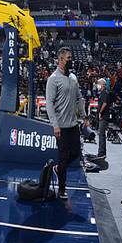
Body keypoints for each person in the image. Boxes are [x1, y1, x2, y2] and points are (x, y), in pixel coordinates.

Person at [46, 47, 83, 200]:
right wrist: (55, 125)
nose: (71, 60)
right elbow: (49, 103)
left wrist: (84, 115)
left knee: (76, 154)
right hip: (61, 126)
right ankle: (62, 190)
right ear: (60, 59)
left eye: (71, 57)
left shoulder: (73, 77)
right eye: (68, 58)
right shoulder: (53, 79)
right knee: (63, 157)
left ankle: (58, 168)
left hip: (73, 125)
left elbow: (79, 98)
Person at [96, 78, 110, 159]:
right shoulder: (102, 93)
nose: (98, 85)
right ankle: (101, 152)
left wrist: (100, 112)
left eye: (99, 83)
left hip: (104, 116)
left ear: (103, 85)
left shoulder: (104, 93)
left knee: (101, 135)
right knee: (101, 134)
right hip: (102, 116)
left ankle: (101, 153)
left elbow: (104, 104)